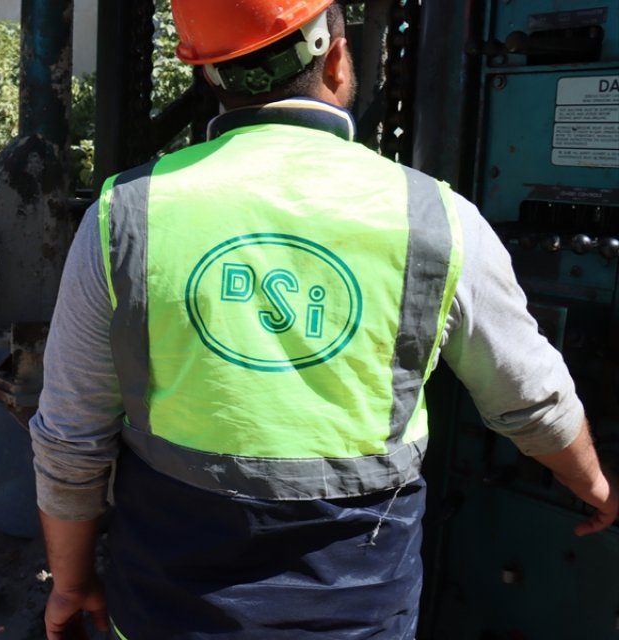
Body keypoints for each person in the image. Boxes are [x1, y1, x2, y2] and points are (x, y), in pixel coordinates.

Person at [30, 2, 618, 638]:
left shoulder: (125, 214)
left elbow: (70, 435)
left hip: (166, 605)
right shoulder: (437, 218)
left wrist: (70, 581)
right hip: (358, 611)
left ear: (208, 76)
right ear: (337, 57)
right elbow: (532, 399)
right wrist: (595, 484)